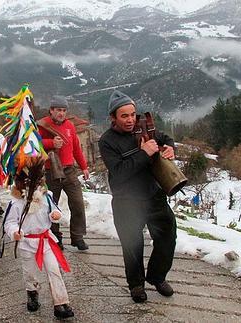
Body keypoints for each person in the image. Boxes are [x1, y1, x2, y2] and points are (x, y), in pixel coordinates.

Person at [98, 90, 177, 303]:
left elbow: (165, 138)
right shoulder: (107, 141)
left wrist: (170, 148)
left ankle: (157, 277)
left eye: (133, 114)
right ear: (113, 118)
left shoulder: (145, 129)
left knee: (167, 237)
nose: (130, 120)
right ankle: (136, 285)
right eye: (124, 116)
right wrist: (144, 153)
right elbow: (120, 172)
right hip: (126, 201)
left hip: (154, 196)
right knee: (132, 244)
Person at [4, 170, 74, 319]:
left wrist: (55, 215)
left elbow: (55, 209)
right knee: (29, 272)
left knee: (54, 269)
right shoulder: (16, 202)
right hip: (26, 242)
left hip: (46, 240)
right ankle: (32, 292)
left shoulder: (46, 196)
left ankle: (60, 302)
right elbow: (9, 222)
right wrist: (15, 231)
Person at [38, 96, 90, 250]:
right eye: (58, 110)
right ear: (51, 110)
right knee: (51, 206)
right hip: (51, 171)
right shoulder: (43, 124)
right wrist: (50, 143)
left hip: (69, 170)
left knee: (78, 203)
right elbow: (33, 142)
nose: (61, 113)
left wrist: (84, 166)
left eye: (64, 110)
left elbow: (76, 148)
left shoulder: (70, 126)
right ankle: (55, 237)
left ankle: (77, 237)